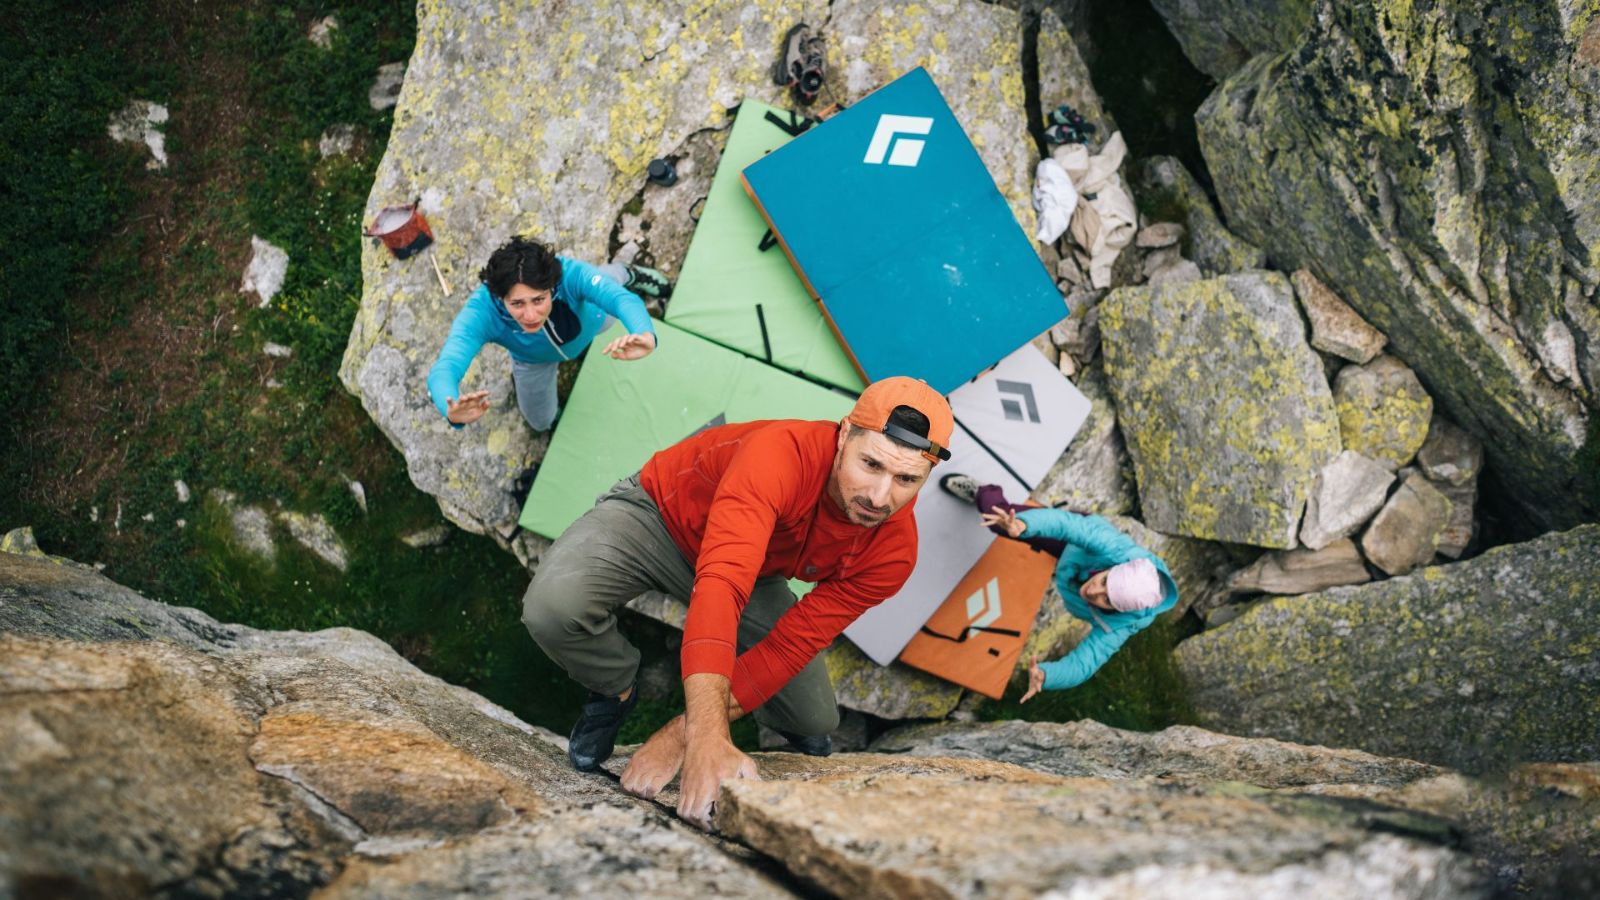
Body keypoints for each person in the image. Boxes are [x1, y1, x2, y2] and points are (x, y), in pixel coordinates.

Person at [521, 377, 954, 831]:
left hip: (755, 566)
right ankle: (615, 687)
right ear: (844, 435)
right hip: (662, 516)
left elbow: (791, 644)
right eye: (870, 464)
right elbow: (721, 586)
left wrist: (682, 732)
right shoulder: (779, 455)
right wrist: (707, 737)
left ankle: (759, 756)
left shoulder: (894, 553)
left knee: (814, 718)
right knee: (552, 608)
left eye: (907, 479)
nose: (879, 497)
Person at [939, 475, 1178, 701]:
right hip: (1072, 545)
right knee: (1000, 521)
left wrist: (1048, 675)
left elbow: (1084, 664)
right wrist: (1024, 525)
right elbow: (1067, 526)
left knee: (1046, 545)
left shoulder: (1121, 625)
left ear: (1118, 611)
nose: (1093, 592)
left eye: (1106, 600)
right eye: (1104, 582)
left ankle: (1046, 536)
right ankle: (983, 490)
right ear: (1112, 568)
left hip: (1071, 571)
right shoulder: (1113, 548)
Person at [426, 235, 672, 432]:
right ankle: (554, 418)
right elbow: (446, 367)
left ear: (551, 285)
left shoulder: (569, 274)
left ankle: (628, 271)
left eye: (538, 299)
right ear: (500, 297)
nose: (531, 315)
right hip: (534, 361)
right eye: (517, 304)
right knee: (540, 421)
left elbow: (621, 300)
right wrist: (450, 407)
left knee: (611, 283)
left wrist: (645, 333)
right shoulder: (482, 311)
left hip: (595, 321)